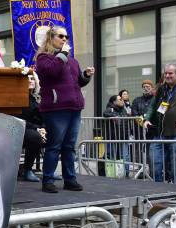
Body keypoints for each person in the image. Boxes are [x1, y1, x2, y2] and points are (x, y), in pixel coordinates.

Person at [34, 25, 95, 193]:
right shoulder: (44, 58)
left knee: (69, 145)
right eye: (60, 36)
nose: (64, 39)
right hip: (56, 108)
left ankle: (70, 179)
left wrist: (86, 76)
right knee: (54, 145)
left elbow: (77, 82)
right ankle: (48, 179)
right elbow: (52, 72)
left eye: (66, 37)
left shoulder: (72, 60)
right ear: (51, 38)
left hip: (74, 107)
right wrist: (62, 55)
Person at [19, 73, 46, 182]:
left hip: (36, 128)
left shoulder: (35, 98)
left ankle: (49, 170)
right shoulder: (18, 98)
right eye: (27, 79)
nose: (30, 81)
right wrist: (37, 129)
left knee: (56, 135)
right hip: (21, 129)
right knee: (34, 137)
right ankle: (27, 170)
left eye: (32, 79)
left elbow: (42, 117)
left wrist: (44, 128)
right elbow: (19, 119)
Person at [103, 95, 132, 176]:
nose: (122, 100)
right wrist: (113, 116)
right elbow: (105, 113)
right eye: (119, 99)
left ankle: (126, 174)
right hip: (113, 138)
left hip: (124, 137)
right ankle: (112, 174)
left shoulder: (124, 109)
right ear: (114, 102)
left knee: (125, 155)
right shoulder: (110, 109)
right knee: (112, 156)